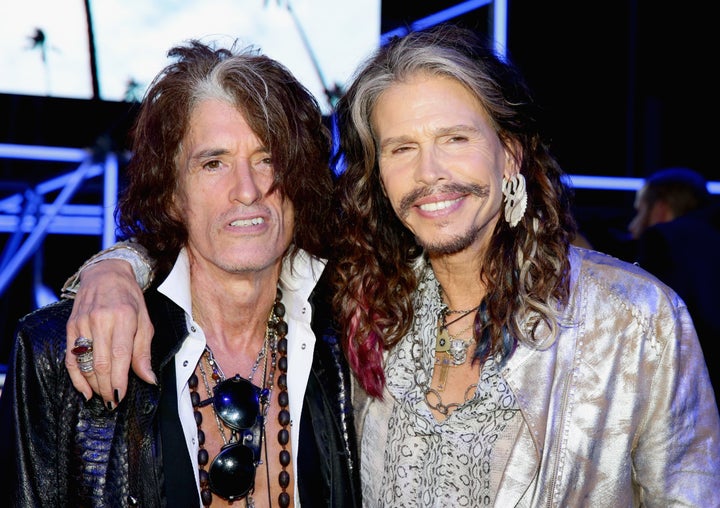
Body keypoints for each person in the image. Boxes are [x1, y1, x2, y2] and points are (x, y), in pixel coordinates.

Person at [47, 24, 720, 506]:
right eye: (400, 148)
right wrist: (115, 270)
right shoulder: (362, 304)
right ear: (377, 177)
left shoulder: (634, 321)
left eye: (454, 138)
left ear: (510, 152)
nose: (431, 176)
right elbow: (223, 244)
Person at [0, 39, 361, 507]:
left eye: (268, 158)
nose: (247, 190)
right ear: (171, 194)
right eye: (213, 164)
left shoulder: (352, 339)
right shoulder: (60, 352)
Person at [628, 167, 720, 400]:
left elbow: (650, 327)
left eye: (639, 212)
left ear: (660, 209)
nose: (632, 226)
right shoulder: (709, 238)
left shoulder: (662, 240)